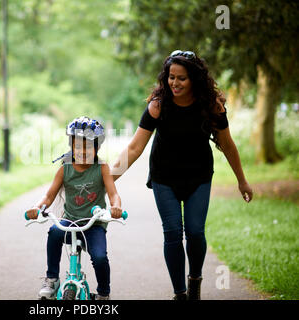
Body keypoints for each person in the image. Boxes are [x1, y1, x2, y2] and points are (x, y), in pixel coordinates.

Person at [111, 50, 253, 300]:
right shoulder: (158, 105)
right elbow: (134, 148)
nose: (174, 83)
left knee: (196, 232)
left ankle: (195, 278)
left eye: (182, 78)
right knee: (173, 232)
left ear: (195, 79)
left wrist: (242, 180)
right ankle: (180, 293)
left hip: (198, 176)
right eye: (171, 77)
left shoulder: (211, 105)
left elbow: (228, 145)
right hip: (164, 177)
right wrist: (107, 180)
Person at [26, 116, 123, 300]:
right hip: (69, 221)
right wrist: (36, 208)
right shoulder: (65, 169)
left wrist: (115, 207)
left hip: (94, 224)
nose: (82, 150)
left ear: (97, 147)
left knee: (100, 258)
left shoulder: (102, 168)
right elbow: (48, 195)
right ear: (71, 146)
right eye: (77, 146)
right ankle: (52, 279)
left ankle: (104, 293)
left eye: (88, 146)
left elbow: (113, 194)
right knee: (54, 232)